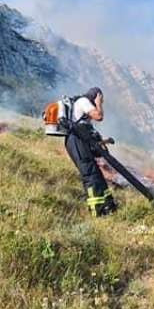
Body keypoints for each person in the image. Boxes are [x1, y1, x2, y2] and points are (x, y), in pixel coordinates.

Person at [65, 87, 117, 217]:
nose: (100, 103)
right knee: (90, 175)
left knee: (97, 174)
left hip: (79, 141)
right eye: (100, 99)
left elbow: (89, 135)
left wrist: (102, 142)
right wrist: (98, 103)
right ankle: (97, 212)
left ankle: (108, 206)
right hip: (75, 141)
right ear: (95, 96)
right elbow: (99, 116)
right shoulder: (83, 101)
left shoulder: (83, 118)